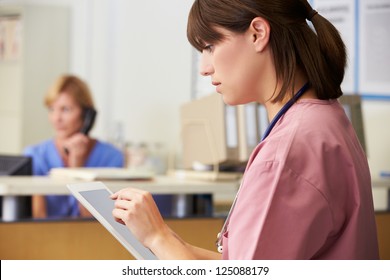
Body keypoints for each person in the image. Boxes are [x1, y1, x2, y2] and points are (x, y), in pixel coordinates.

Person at [111, 0, 379, 259]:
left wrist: (158, 238)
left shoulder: (285, 154)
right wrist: (165, 239)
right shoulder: (326, 119)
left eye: (210, 46)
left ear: (257, 34)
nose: (204, 68)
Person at [24, 74, 124, 219]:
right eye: (52, 109)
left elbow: (96, 220)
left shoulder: (111, 156)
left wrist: (77, 168)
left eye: (65, 109)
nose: (56, 118)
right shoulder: (35, 155)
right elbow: (38, 218)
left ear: (87, 114)